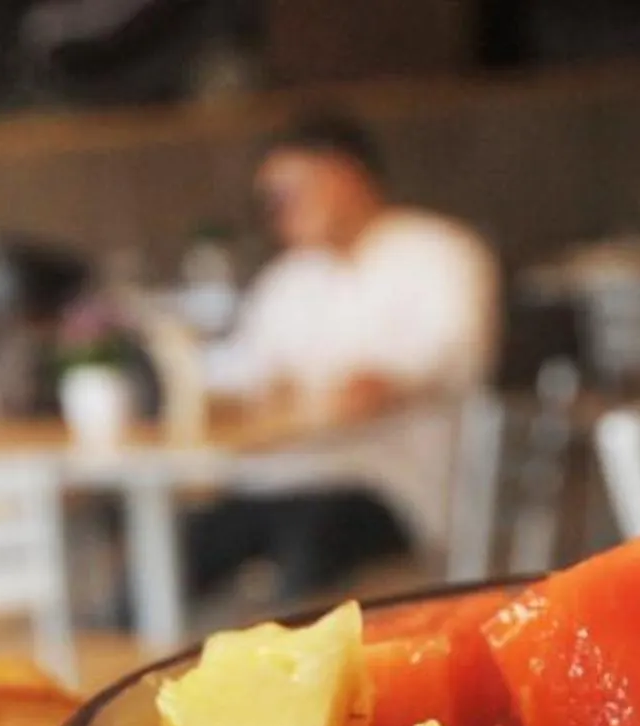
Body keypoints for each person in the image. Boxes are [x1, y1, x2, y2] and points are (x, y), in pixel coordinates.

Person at [190, 112, 499, 604]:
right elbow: (240, 368)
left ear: (343, 176)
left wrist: (385, 383)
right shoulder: (288, 278)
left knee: (309, 548)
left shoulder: (438, 252)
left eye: (289, 193)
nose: (277, 211)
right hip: (278, 480)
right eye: (270, 199)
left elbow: (448, 352)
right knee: (182, 546)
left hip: (391, 484)